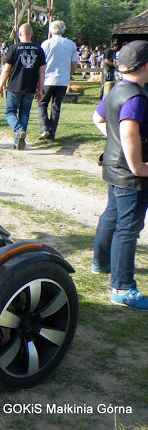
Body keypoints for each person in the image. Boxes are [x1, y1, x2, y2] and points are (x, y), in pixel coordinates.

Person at [91, 40, 148, 311]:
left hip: (114, 168)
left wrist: (115, 141)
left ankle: (100, 263)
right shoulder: (136, 97)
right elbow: (127, 131)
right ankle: (122, 288)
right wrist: (139, 167)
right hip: (130, 174)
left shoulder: (117, 89)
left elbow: (98, 118)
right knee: (128, 228)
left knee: (112, 215)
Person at [0, 23, 46, 150]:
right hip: (30, 87)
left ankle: (18, 130)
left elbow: (6, 70)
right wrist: (40, 89)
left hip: (15, 86)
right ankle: (19, 142)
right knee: (24, 113)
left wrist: (0, 86)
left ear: (19, 34)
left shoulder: (14, 48)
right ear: (31, 34)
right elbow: (42, 72)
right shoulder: (39, 49)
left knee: (10, 113)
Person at [37, 20, 78, 142]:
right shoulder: (71, 44)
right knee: (56, 107)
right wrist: (68, 74)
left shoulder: (46, 44)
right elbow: (74, 64)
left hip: (48, 79)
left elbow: (41, 63)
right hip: (63, 80)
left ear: (51, 30)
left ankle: (45, 128)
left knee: (42, 103)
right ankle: (52, 134)